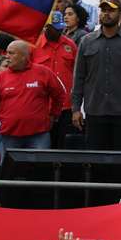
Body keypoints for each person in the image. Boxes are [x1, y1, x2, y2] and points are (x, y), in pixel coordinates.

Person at [71, 0, 121, 153]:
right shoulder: (87, 41)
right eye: (103, 10)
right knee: (95, 163)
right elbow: (78, 77)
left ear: (120, 14)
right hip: (95, 111)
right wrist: (76, 108)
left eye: (111, 10)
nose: (106, 14)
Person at [0, 40, 65, 163]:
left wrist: (54, 115)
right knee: (8, 172)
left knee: (40, 170)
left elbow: (59, 94)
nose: (7, 56)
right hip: (9, 135)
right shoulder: (0, 78)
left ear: (24, 56)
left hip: (39, 135)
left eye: (11, 53)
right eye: (7, 52)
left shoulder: (43, 72)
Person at [33, 15, 78, 149]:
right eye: (55, 29)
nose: (59, 32)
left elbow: (77, 72)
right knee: (43, 145)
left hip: (65, 106)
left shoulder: (70, 45)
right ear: (46, 28)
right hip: (42, 105)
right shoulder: (34, 45)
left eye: (61, 28)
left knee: (63, 145)